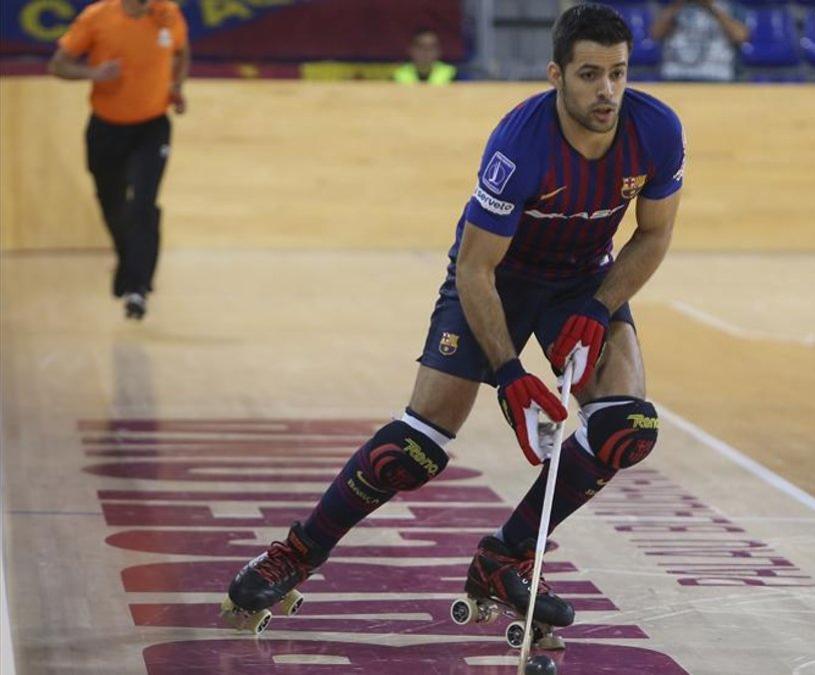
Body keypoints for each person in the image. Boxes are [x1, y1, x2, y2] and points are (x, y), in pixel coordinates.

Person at [221, 2, 685, 640]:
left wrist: (599, 306)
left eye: (617, 73)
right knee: (416, 446)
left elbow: (655, 234)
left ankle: (507, 555)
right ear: (556, 75)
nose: (606, 90)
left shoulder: (656, 130)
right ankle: (299, 552)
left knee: (624, 427)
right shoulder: (519, 145)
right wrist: (507, 373)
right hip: (497, 277)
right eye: (588, 75)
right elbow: (474, 268)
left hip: (581, 282)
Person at [48, 0, 189, 320]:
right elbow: (58, 65)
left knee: (143, 203)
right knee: (113, 203)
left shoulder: (167, 14)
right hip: (106, 128)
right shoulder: (97, 18)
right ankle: (128, 264)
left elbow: (181, 51)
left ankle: (138, 289)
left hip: (152, 126)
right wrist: (94, 73)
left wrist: (176, 86)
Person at [651, 0, 749, 82]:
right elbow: (656, 34)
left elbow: (740, 37)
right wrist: (678, 5)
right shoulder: (671, 7)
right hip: (675, 75)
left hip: (717, 77)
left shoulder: (731, 7)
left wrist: (711, 7)